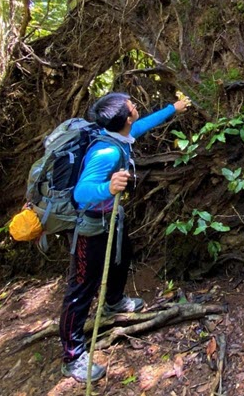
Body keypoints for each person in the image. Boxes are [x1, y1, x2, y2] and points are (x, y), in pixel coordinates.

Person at [60, 92, 191, 382]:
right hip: (91, 226)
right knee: (81, 288)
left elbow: (141, 127)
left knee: (122, 259)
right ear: (124, 117)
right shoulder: (105, 153)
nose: (135, 105)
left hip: (112, 220)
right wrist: (108, 187)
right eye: (131, 105)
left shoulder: (121, 134)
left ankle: (114, 302)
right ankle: (72, 355)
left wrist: (173, 108)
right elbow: (81, 193)